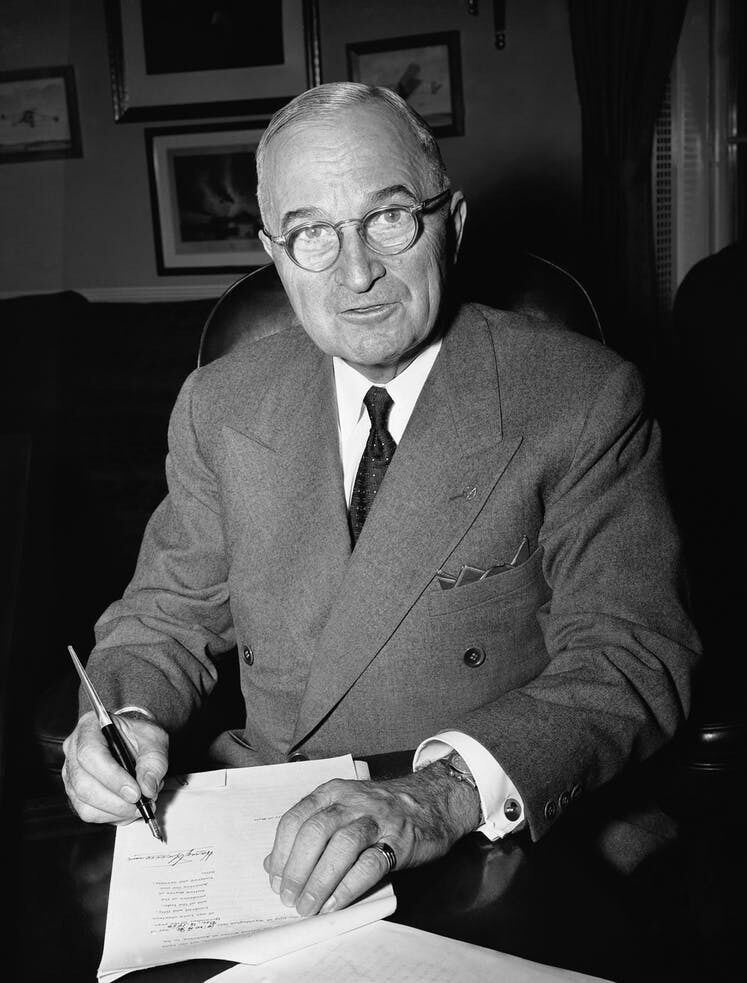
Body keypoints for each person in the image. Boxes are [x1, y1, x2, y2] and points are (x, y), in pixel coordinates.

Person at [62, 82, 700, 919]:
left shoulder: (582, 399)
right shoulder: (220, 403)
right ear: (274, 253)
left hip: (489, 842)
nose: (357, 272)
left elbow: (630, 657)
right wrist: (123, 719)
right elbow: (162, 618)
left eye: (389, 217)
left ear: (452, 223)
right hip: (261, 838)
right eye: (312, 236)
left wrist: (436, 795)